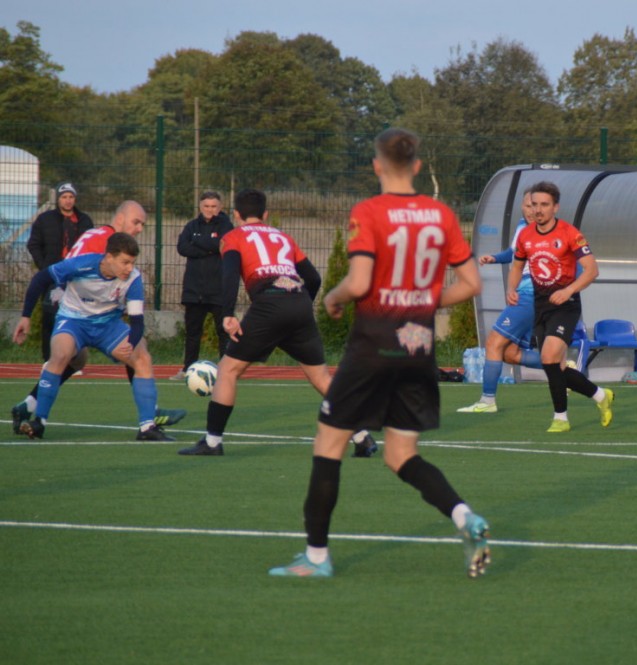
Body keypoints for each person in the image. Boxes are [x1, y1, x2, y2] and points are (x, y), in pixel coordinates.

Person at [269, 128, 489, 579]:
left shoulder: (369, 211)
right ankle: (464, 516)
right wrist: (423, 301)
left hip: (374, 344)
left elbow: (361, 281)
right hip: (418, 347)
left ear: (376, 165)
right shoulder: (441, 215)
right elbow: (471, 284)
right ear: (417, 166)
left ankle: (316, 557)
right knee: (400, 453)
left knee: (329, 443)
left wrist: (334, 296)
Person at [177, 188, 332, 457]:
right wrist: (301, 304)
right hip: (299, 303)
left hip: (269, 305)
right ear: (266, 214)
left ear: (236, 214)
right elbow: (314, 278)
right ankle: (362, 436)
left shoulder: (233, 236)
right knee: (321, 377)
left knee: (227, 370)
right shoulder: (284, 237)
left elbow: (229, 275)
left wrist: (228, 314)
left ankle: (212, 442)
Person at [11, 201, 186, 435]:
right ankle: (39, 418)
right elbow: (71, 271)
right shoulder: (101, 243)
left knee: (90, 359)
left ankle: (27, 406)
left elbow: (131, 310)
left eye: (143, 224)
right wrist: (28, 315)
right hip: (71, 309)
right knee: (63, 355)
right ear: (120, 219)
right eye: (136, 222)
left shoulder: (108, 245)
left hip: (101, 317)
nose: (139, 229)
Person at [507, 181, 614, 433]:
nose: (538, 210)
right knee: (554, 366)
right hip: (541, 305)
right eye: (534, 204)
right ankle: (600, 395)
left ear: (555, 207)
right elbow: (516, 266)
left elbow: (592, 270)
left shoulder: (569, 233)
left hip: (566, 305)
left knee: (548, 357)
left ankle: (561, 418)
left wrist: (568, 291)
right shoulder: (525, 235)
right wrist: (511, 289)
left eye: (544, 205)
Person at [457, 189, 543, 413]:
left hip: (529, 296)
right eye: (527, 205)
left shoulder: (547, 232)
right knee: (510, 354)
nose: (531, 210)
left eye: (536, 205)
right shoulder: (522, 227)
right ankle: (560, 366)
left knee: (493, 343)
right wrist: (494, 258)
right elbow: (514, 254)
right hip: (522, 295)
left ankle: (487, 401)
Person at [26, 182, 94, 361]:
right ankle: (49, 359)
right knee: (51, 316)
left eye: (71, 197)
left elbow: (92, 247)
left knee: (77, 317)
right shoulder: (45, 219)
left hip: (78, 278)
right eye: (64, 197)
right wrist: (44, 267)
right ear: (58, 199)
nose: (68, 201)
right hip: (53, 278)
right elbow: (33, 244)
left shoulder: (85, 221)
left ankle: (74, 361)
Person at [172, 191, 234, 379]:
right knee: (193, 333)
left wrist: (198, 242)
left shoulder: (226, 225)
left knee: (223, 332)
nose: (210, 210)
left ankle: (226, 371)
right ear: (200, 207)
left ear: (220, 207)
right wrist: (210, 249)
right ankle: (187, 369)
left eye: (213, 206)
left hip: (218, 290)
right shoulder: (191, 226)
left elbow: (222, 245)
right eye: (206, 206)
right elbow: (182, 247)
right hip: (194, 290)